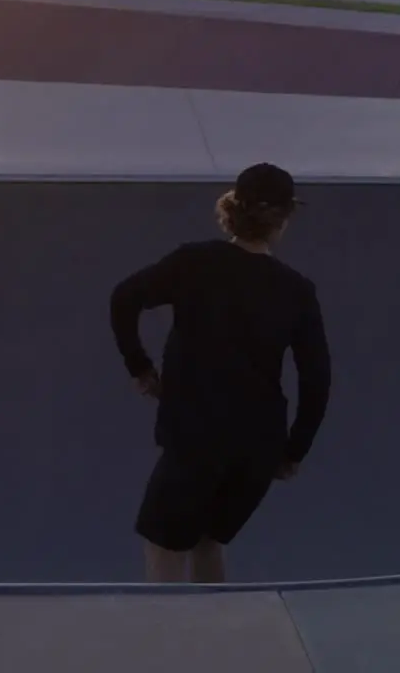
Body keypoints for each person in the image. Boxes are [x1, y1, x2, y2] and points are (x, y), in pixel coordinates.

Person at [109, 162, 332, 584]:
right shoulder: (296, 290)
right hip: (258, 446)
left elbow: (123, 299)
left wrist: (139, 366)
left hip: (196, 437)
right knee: (208, 543)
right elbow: (316, 381)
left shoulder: (195, 262)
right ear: (283, 219)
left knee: (163, 545)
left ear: (233, 208)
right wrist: (293, 451)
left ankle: (173, 644)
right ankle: (217, 638)